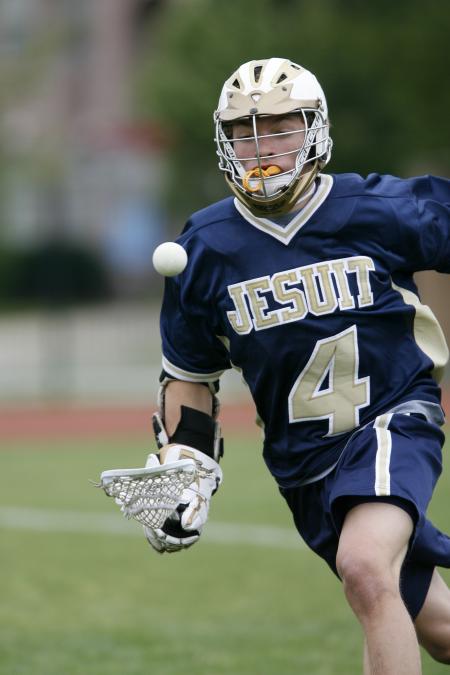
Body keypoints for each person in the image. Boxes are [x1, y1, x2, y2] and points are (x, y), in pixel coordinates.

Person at [145, 58, 450, 673]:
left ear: (314, 130)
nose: (262, 147)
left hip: (394, 418)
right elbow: (191, 374)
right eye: (244, 131)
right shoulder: (204, 247)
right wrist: (184, 461)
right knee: (437, 628)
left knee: (365, 570)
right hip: (304, 464)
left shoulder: (379, 208)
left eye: (281, 128)